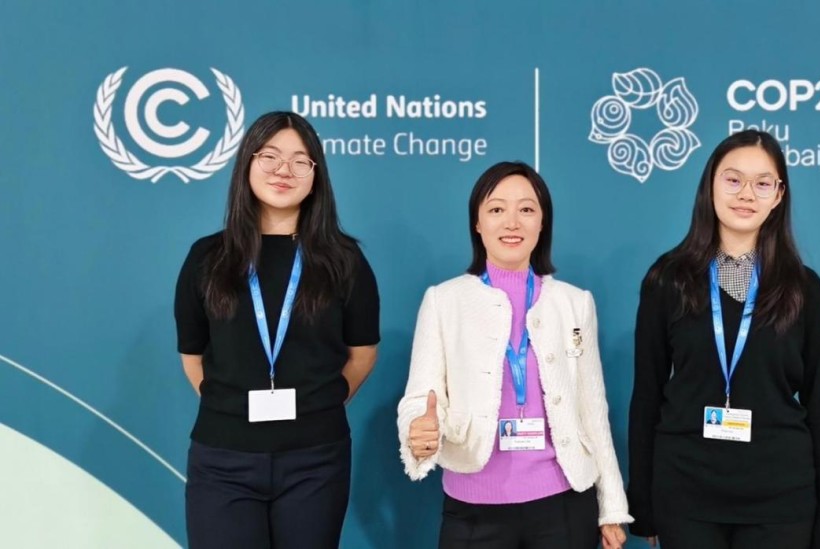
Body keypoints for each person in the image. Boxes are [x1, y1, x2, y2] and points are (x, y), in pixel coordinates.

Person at [628, 130, 820, 549]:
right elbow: (647, 397)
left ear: (778, 195)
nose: (746, 194)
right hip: (687, 496)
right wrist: (642, 503)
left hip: (780, 501)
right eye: (733, 180)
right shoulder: (668, 281)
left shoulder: (805, 290)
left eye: (762, 183)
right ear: (710, 184)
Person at [397, 161, 631, 549]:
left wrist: (611, 508)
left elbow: (592, 410)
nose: (512, 222)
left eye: (526, 209)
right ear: (477, 223)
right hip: (473, 510)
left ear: (542, 222)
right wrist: (418, 428)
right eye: (496, 209)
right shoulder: (444, 301)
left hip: (564, 505)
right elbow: (421, 397)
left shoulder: (575, 303)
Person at [175, 111, 380, 548]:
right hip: (223, 460)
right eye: (269, 156)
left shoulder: (344, 261)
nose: (283, 170)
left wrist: (319, 404)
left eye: (300, 160)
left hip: (315, 462)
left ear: (316, 175)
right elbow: (192, 355)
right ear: (246, 163)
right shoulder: (207, 258)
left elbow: (363, 353)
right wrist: (230, 406)